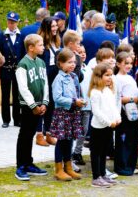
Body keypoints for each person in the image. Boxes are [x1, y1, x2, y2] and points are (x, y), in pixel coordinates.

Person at [14, 34, 49, 181]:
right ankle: (21, 165)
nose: (43, 47)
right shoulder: (23, 64)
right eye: (40, 45)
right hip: (29, 106)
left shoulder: (41, 63)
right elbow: (23, 87)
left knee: (31, 135)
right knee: (25, 135)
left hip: (40, 105)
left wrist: (45, 102)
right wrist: (33, 105)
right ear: (31, 47)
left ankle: (29, 163)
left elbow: (45, 83)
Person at [50, 49, 86, 181]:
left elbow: (77, 92)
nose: (73, 65)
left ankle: (68, 167)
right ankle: (59, 169)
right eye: (69, 62)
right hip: (62, 113)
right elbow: (57, 97)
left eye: (74, 62)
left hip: (73, 112)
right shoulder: (58, 79)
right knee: (62, 141)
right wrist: (72, 101)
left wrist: (80, 100)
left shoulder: (74, 77)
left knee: (70, 140)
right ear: (60, 63)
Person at [89, 62, 121, 187]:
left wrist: (117, 118)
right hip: (99, 127)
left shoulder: (108, 91)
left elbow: (113, 107)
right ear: (99, 76)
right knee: (96, 152)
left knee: (104, 152)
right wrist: (108, 122)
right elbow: (96, 112)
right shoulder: (95, 92)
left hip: (109, 126)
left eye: (111, 75)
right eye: (107, 75)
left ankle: (103, 174)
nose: (110, 78)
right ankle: (96, 177)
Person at [0, 11, 25, 128]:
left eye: (13, 22)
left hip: (18, 70)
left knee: (17, 95)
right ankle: (6, 120)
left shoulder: (21, 36)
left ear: (17, 23)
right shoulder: (0, 36)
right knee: (5, 96)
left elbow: (24, 53)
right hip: (5, 69)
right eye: (9, 21)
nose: (11, 24)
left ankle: (17, 119)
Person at [114, 52, 138, 176]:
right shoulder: (117, 79)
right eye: (126, 63)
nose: (129, 66)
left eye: (130, 63)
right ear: (118, 64)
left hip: (133, 112)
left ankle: (130, 164)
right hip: (123, 112)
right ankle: (122, 166)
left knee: (133, 140)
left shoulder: (130, 77)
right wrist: (130, 99)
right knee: (123, 140)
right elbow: (117, 97)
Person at [36, 17, 61, 146]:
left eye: (56, 26)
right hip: (43, 75)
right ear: (46, 28)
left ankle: (49, 133)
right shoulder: (40, 42)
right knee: (42, 105)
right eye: (52, 26)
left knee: (51, 105)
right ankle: (39, 134)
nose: (55, 28)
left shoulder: (56, 41)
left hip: (54, 75)